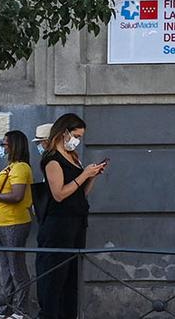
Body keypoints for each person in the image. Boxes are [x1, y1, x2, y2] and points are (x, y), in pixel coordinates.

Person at [35, 114, 105, 319]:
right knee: (54, 276)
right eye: (76, 135)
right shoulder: (52, 160)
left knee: (70, 277)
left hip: (76, 221)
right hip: (58, 225)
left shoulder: (72, 157)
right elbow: (59, 194)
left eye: (81, 137)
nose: (78, 141)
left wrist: (91, 177)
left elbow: (79, 194)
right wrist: (83, 175)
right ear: (63, 132)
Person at [0, 129, 35, 319]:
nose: (2, 147)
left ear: (14, 146)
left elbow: (18, 196)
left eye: (5, 144)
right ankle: (7, 308)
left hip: (14, 223)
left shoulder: (20, 168)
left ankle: (22, 310)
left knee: (16, 268)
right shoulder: (9, 167)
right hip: (2, 223)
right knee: (6, 269)